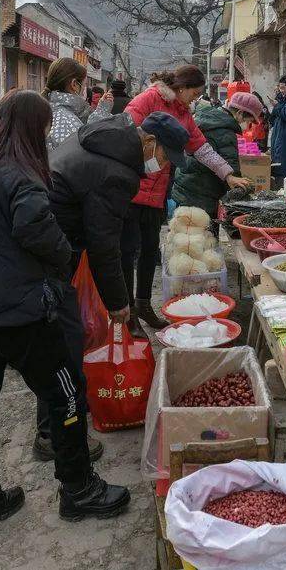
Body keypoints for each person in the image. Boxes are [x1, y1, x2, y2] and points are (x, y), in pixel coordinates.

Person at [0, 90, 130, 543]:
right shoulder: (21, 171)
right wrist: (65, 259)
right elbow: (33, 227)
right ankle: (78, 487)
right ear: (34, 128)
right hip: (21, 311)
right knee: (65, 393)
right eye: (46, 127)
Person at [43, 111, 189, 460]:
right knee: (63, 339)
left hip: (51, 237)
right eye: (165, 156)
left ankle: (67, 413)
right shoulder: (116, 172)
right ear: (149, 142)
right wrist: (118, 303)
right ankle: (54, 432)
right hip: (53, 246)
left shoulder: (106, 138)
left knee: (64, 335)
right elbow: (103, 244)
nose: (163, 165)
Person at [120, 65, 248, 334]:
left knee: (149, 250)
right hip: (132, 187)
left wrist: (228, 175)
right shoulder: (148, 99)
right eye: (194, 92)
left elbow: (201, 148)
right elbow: (124, 131)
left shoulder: (184, 114)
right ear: (181, 87)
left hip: (157, 191)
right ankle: (129, 311)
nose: (195, 98)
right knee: (127, 251)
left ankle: (143, 304)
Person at [173, 91, 263, 219]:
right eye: (249, 120)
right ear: (239, 113)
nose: (248, 126)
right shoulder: (225, 132)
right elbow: (232, 170)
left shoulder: (207, 118)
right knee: (203, 236)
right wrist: (244, 192)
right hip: (202, 194)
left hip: (185, 187)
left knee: (183, 234)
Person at [44, 58, 90, 152]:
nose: (85, 90)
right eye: (85, 85)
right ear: (74, 85)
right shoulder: (66, 122)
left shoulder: (45, 108)